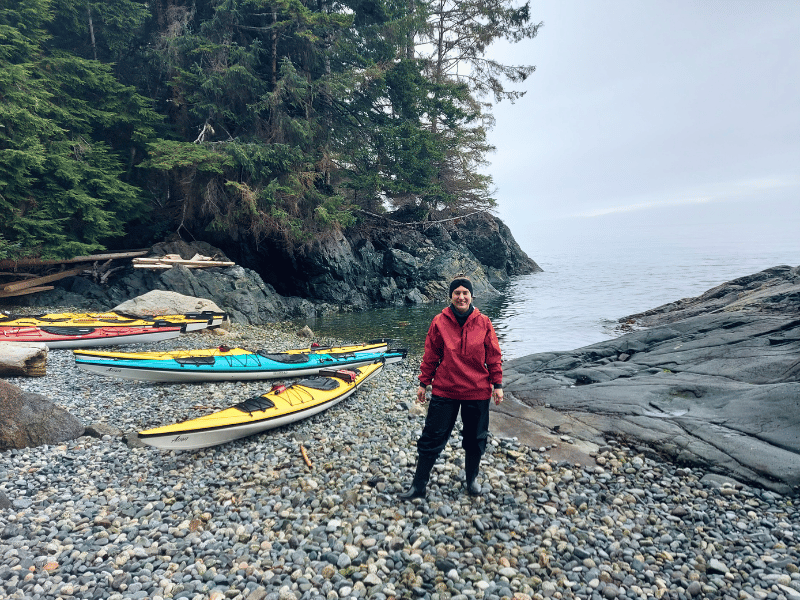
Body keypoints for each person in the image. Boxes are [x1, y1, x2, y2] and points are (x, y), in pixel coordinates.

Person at [399, 275, 503, 500]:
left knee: (476, 438)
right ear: (451, 296)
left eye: (465, 293)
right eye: (457, 293)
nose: (461, 297)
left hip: (477, 390)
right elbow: (431, 355)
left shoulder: (484, 322)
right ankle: (418, 485)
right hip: (445, 389)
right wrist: (423, 383)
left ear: (471, 296)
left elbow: (494, 355)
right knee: (431, 437)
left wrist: (498, 384)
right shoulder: (439, 321)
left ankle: (471, 480)